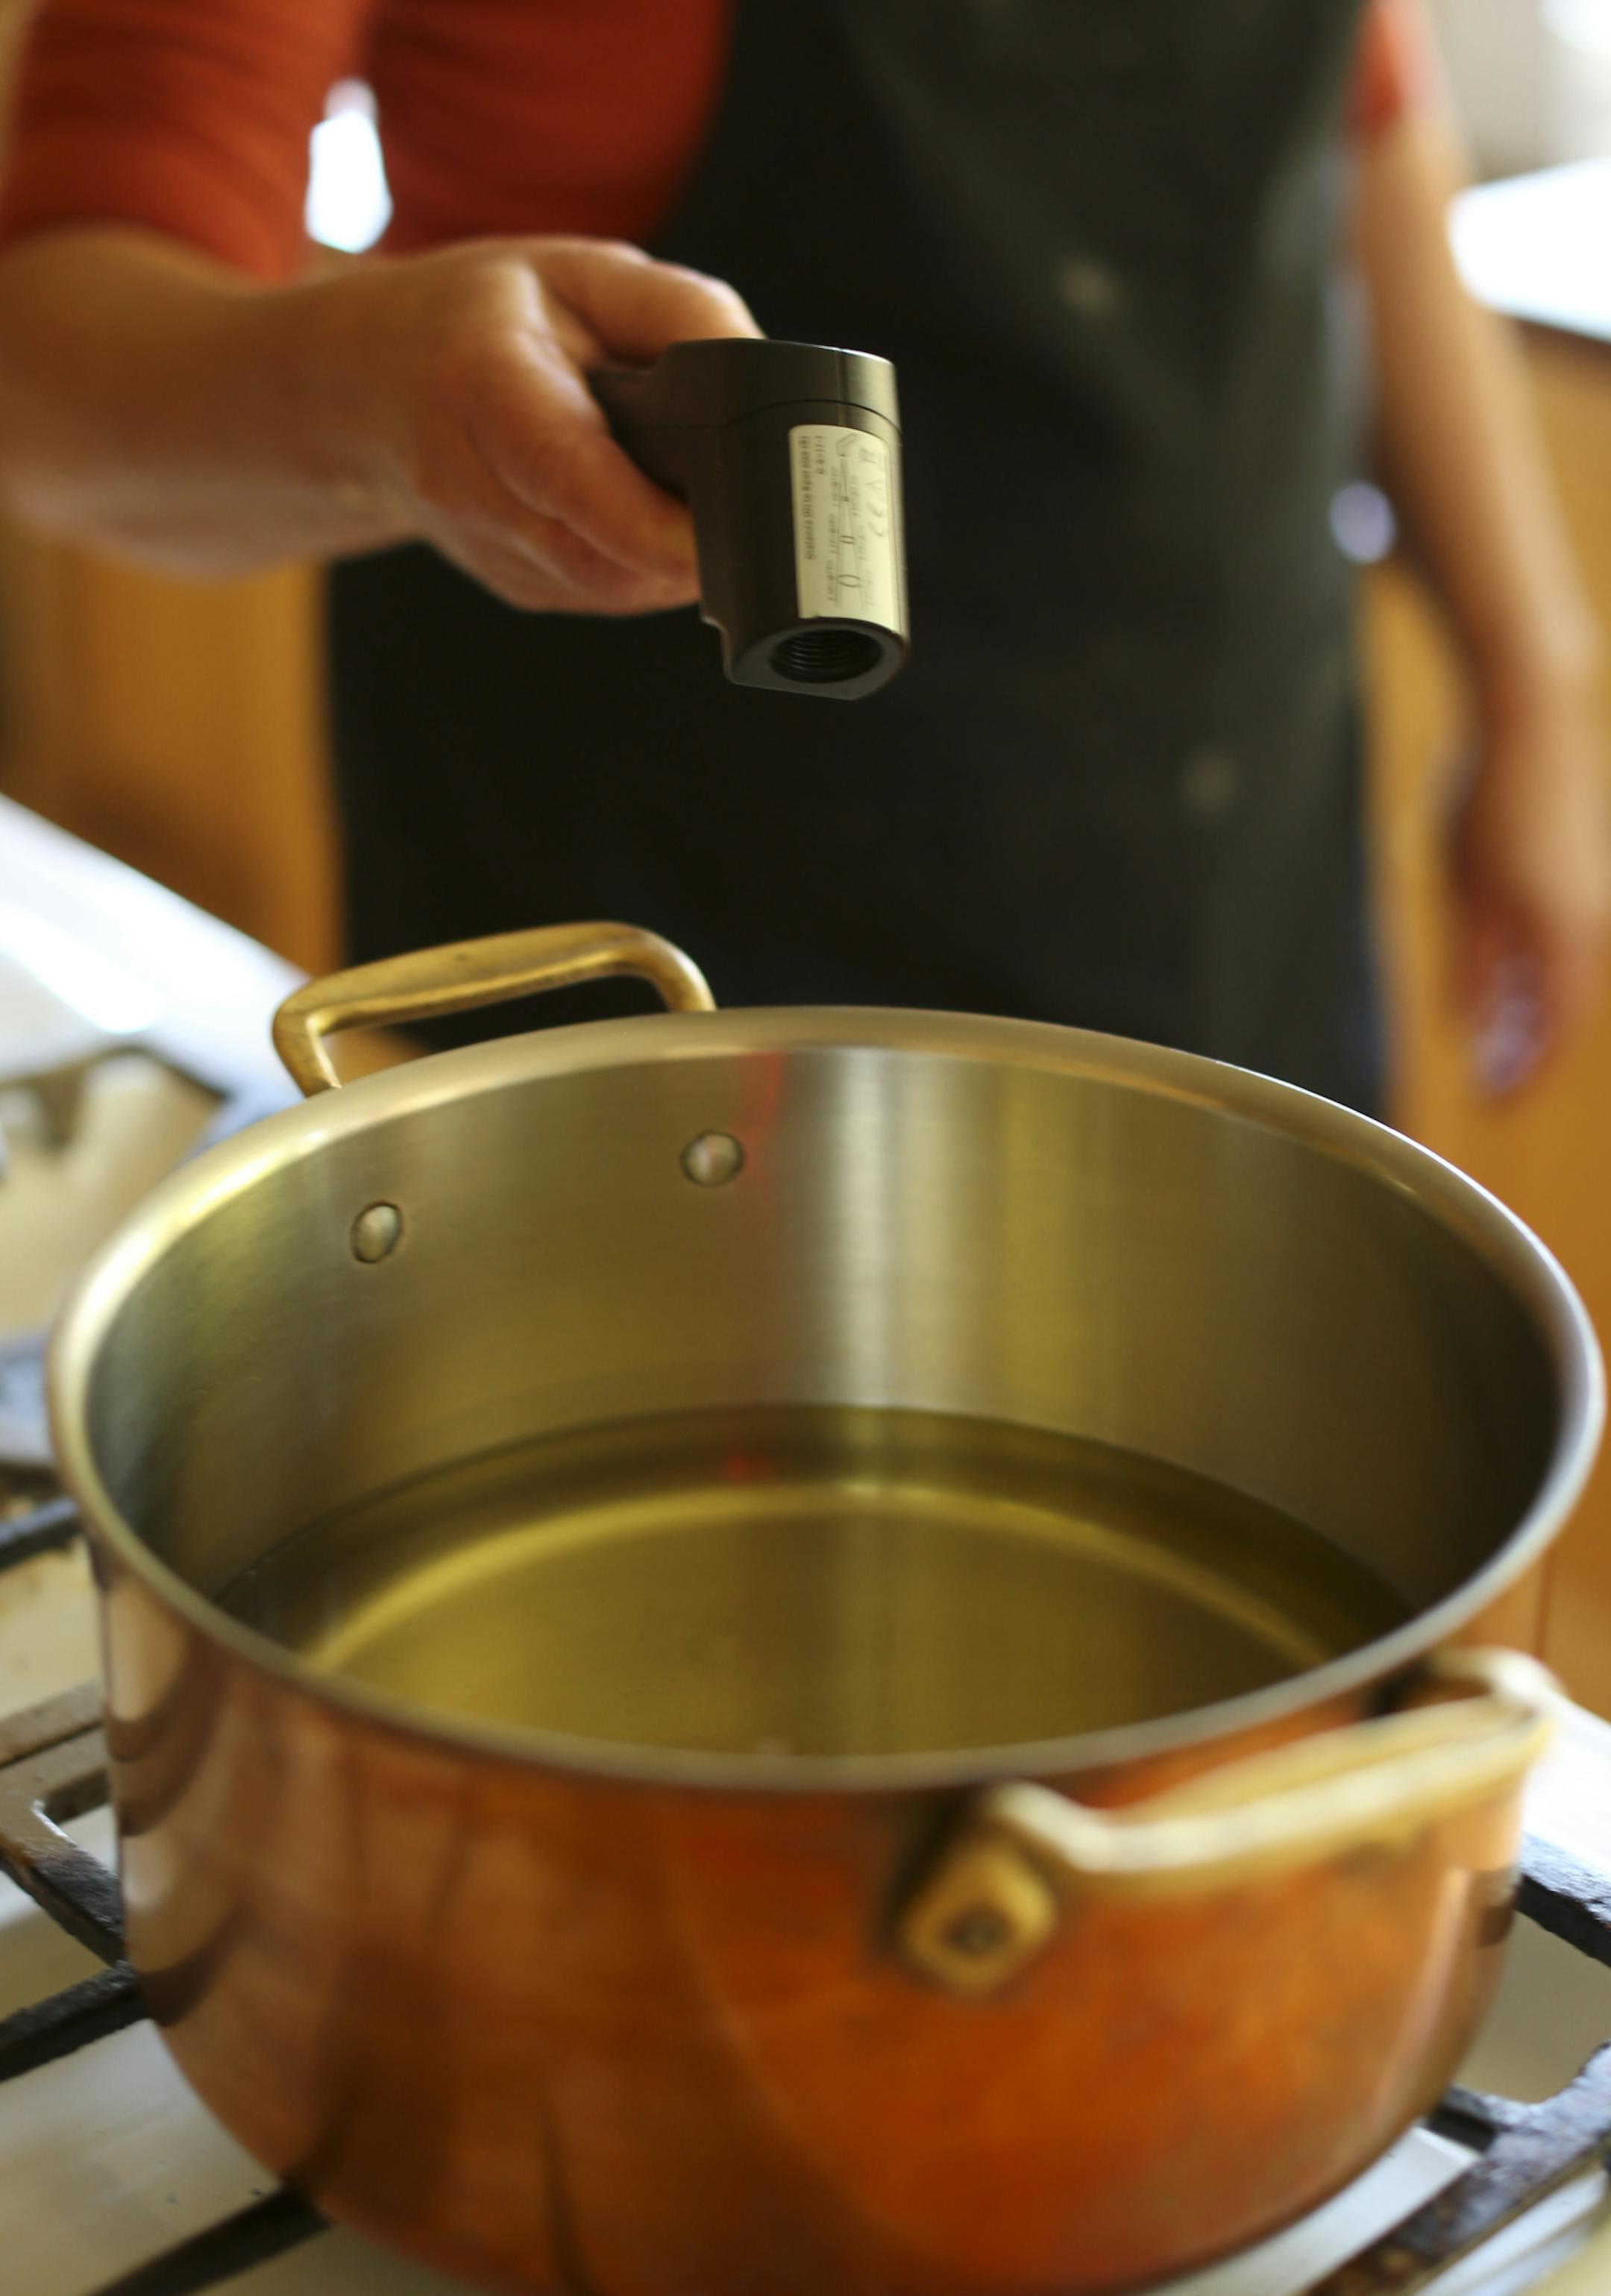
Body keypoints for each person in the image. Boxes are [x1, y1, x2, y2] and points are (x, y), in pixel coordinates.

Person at [0, 0, 1603, 1112]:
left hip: (1230, 894)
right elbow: (50, 363)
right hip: (674, 999)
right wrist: (377, 396)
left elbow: (1362, 126)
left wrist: (1536, 672)